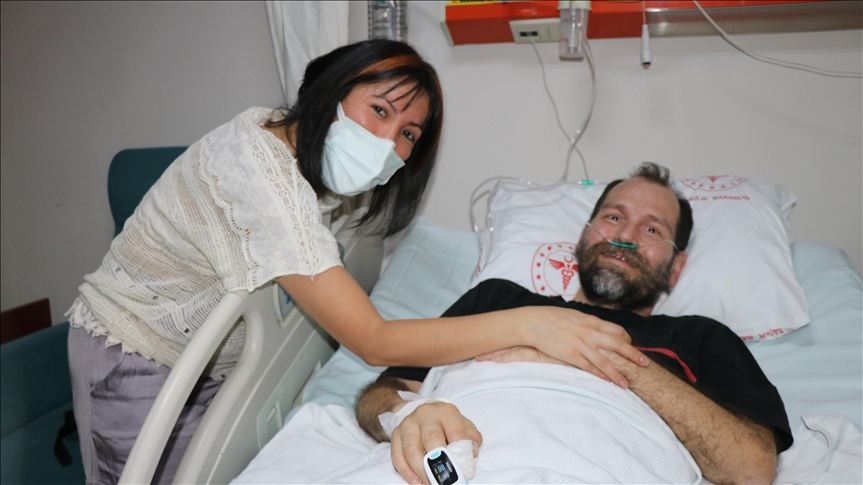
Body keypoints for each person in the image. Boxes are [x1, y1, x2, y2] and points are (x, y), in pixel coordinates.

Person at [66, 39, 648, 485]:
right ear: (333, 91)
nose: (390, 143)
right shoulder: (257, 171)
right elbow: (373, 340)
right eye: (379, 110)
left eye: (409, 132)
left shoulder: (311, 167)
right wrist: (531, 322)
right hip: (133, 348)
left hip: (207, 360)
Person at [357, 163, 793, 485]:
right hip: (449, 462)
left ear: (676, 268)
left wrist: (608, 360)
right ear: (583, 237)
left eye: (652, 230)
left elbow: (750, 469)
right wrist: (408, 414)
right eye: (614, 218)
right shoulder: (497, 299)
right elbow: (381, 393)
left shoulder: (700, 337)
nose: (625, 237)